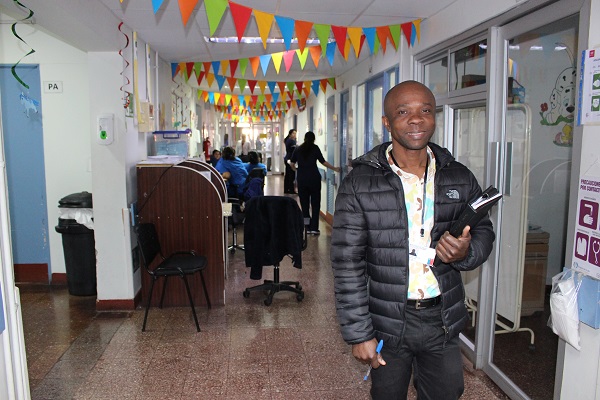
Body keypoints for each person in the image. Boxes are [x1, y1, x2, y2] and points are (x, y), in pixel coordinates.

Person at [330, 80, 496, 400]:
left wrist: (466, 252)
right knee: (387, 394)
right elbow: (346, 262)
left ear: (434, 118)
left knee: (447, 392)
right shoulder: (360, 182)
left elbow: (483, 231)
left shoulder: (458, 175)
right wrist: (358, 333)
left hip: (441, 318)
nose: (416, 119)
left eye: (426, 111)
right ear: (387, 122)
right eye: (403, 112)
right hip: (387, 319)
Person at [289, 131, 340, 235]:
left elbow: (292, 163)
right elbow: (323, 161)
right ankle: (314, 228)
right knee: (316, 204)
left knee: (304, 204)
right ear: (313, 139)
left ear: (304, 138)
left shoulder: (298, 149)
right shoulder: (315, 148)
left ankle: (307, 227)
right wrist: (334, 168)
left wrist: (296, 170)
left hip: (302, 179)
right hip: (314, 179)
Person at [283, 129, 297, 194]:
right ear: (290, 134)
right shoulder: (291, 141)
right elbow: (294, 150)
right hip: (290, 159)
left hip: (287, 159)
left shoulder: (288, 140)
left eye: (295, 133)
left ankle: (286, 189)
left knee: (288, 175)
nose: (295, 135)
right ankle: (291, 190)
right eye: (293, 133)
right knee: (291, 175)